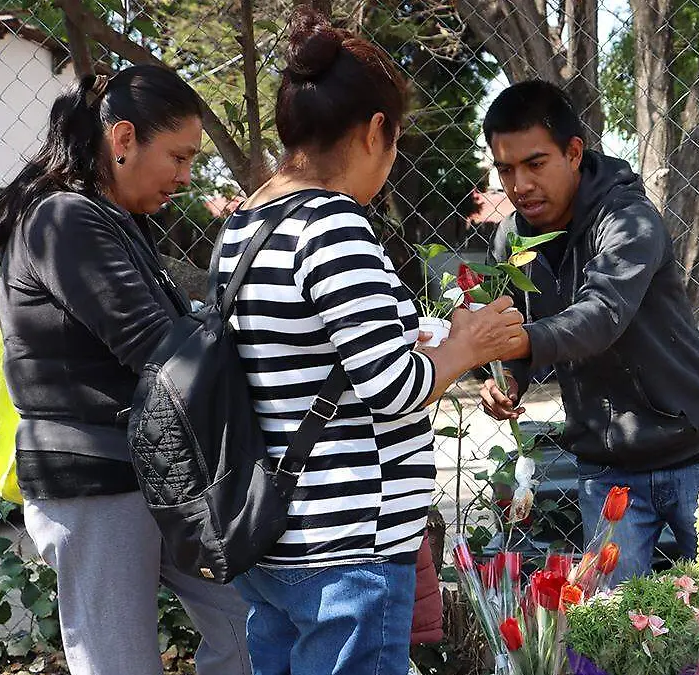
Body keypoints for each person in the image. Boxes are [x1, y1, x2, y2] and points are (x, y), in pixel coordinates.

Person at [215, 10, 524, 675]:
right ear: (376, 130)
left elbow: (303, 354)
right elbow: (393, 388)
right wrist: (467, 346)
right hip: (348, 546)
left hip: (276, 537)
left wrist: (436, 344)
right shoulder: (335, 225)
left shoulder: (245, 226)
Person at [0, 66, 252, 675]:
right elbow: (158, 347)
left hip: (153, 473)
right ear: (123, 139)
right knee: (118, 663)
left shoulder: (112, 220)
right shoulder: (62, 219)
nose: (185, 177)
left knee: (247, 624)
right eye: (178, 157)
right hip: (96, 478)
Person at [478, 80, 699, 585]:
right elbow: (517, 326)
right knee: (613, 632)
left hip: (697, 453)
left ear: (573, 152)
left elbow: (601, 314)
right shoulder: (510, 238)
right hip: (607, 467)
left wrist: (524, 343)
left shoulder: (628, 219)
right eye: (505, 169)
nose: (519, 185)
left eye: (535, 164)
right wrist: (509, 376)